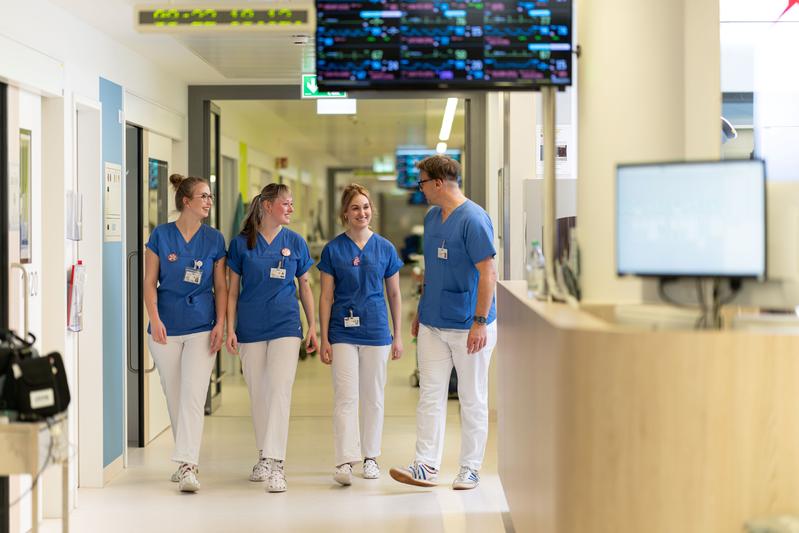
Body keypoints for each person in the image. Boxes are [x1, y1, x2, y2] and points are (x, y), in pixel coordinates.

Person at [389, 155, 498, 491]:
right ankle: (425, 465)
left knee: (472, 398)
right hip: (434, 323)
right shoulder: (434, 217)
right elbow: (433, 270)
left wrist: (479, 321)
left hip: (469, 326)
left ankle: (470, 468)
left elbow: (488, 273)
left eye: (422, 182)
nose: (419, 189)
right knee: (430, 395)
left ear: (438, 182)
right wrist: (422, 309)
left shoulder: (474, 219)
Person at [226, 183, 318, 493]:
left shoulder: (295, 242)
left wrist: (313, 326)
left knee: (280, 391)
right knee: (259, 393)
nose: (291, 209)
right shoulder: (241, 245)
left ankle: (277, 462)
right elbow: (232, 291)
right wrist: (229, 328)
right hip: (250, 327)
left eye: (292, 204)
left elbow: (305, 286)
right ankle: (264, 455)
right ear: (267, 205)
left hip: (285, 325)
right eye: (286, 204)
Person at [143, 173, 227, 493]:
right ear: (186, 201)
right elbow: (150, 281)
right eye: (203, 196)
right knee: (175, 395)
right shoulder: (161, 236)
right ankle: (184, 461)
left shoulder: (215, 239)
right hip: (165, 326)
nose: (208, 202)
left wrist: (220, 323)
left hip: (202, 326)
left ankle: (189, 465)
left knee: (193, 396)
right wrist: (155, 317)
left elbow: (220, 285)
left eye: (210, 197)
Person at [317, 184, 404, 486]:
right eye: (355, 208)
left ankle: (370, 457)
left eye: (365, 207)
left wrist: (398, 335)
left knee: (373, 397)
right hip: (342, 330)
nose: (361, 213)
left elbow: (394, 294)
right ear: (345, 213)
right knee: (345, 397)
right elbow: (326, 297)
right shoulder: (333, 250)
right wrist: (325, 337)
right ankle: (344, 460)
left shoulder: (385, 248)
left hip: (377, 331)